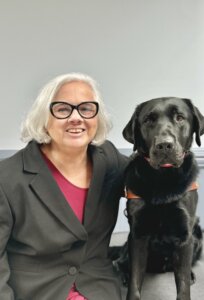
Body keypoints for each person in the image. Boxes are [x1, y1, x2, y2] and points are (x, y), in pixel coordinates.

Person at [0, 73, 128, 300]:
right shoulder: (7, 177)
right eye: (62, 109)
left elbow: (150, 180)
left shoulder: (108, 159)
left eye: (86, 108)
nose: (76, 118)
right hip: (37, 293)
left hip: (98, 291)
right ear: (44, 118)